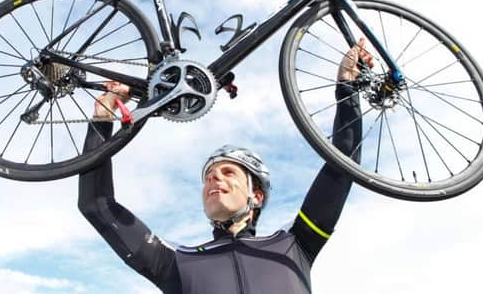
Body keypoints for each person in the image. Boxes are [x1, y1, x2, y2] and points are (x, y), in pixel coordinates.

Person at [78, 39, 373, 293]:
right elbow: (96, 203)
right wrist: (102, 119)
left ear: (255, 196)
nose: (214, 180)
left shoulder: (296, 243)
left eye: (228, 172)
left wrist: (346, 84)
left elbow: (343, 160)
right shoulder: (175, 262)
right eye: (208, 177)